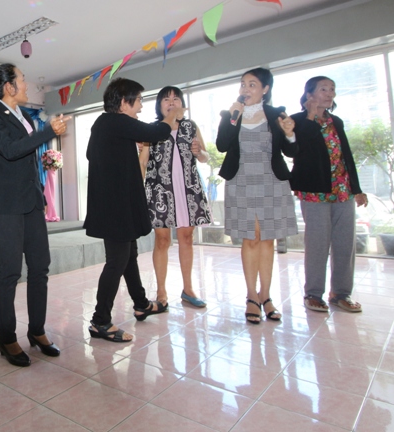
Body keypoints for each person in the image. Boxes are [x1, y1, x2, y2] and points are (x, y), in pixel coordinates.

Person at [0, 63, 69, 366]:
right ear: (9, 87)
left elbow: (28, 157)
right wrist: (47, 132)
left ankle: (37, 331)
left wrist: (40, 192)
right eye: (23, 80)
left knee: (40, 268)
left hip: (30, 203)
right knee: (10, 271)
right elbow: (11, 150)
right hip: (4, 206)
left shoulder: (24, 116)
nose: (27, 85)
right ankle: (7, 338)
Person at [84, 78, 183, 342]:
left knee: (129, 255)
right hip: (114, 207)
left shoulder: (105, 124)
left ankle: (141, 303)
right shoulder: (115, 121)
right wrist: (173, 114)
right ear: (124, 102)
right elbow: (156, 132)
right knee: (117, 261)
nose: (141, 106)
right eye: (138, 100)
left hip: (117, 204)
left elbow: (94, 155)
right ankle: (100, 321)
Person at [215, 67, 297, 324]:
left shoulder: (277, 115)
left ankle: (266, 295)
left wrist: (290, 134)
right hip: (241, 181)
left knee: (267, 239)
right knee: (250, 238)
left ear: (265, 89)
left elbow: (291, 151)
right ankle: (251, 296)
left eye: (252, 84)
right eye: (243, 84)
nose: (245, 89)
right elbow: (221, 145)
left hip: (271, 181)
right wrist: (233, 117)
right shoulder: (231, 114)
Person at [290, 76, 366, 313]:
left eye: (332, 89)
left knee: (345, 243)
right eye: (323, 89)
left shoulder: (336, 121)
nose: (330, 93)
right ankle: (313, 294)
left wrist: (357, 189)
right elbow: (300, 148)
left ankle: (341, 293)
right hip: (315, 191)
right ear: (309, 94)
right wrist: (311, 116)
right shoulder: (297, 120)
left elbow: (346, 156)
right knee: (317, 244)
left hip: (342, 190)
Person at [139, 86, 212, 308]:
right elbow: (143, 162)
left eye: (176, 98)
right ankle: (161, 291)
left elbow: (205, 157)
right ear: (159, 105)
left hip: (188, 189)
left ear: (182, 104)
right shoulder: (152, 129)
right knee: (162, 240)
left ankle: (188, 289)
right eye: (166, 99)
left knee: (187, 238)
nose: (171, 102)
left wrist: (199, 152)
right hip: (159, 191)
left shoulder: (191, 126)